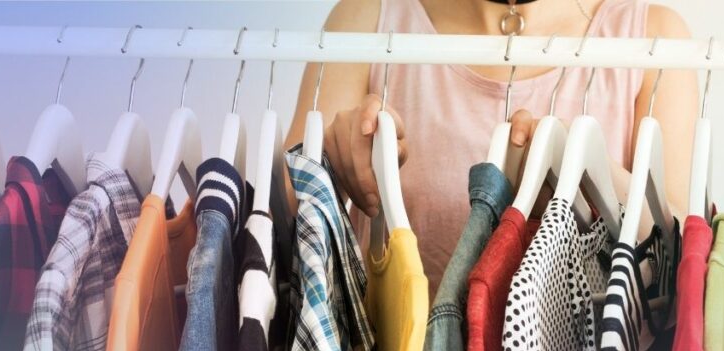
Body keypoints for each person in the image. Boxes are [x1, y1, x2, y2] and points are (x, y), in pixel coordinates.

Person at [287, 0, 698, 293]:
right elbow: (283, 218)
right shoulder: (366, 20)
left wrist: (589, 177)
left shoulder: (653, 38)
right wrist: (328, 158)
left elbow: (677, 256)